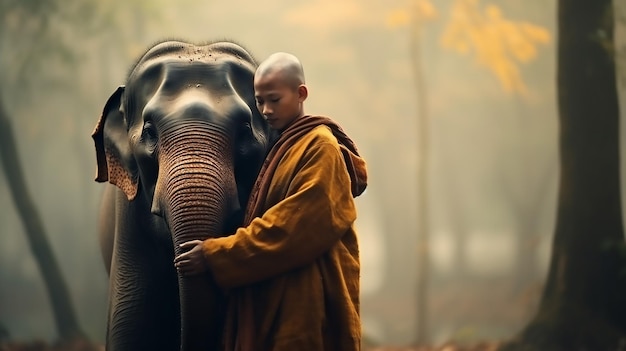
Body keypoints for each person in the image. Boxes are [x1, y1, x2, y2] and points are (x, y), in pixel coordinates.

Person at [174, 52, 368, 351]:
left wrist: (216, 254)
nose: (265, 110)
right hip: (280, 297)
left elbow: (294, 228)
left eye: (274, 100)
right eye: (259, 101)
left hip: (310, 302)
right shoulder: (281, 146)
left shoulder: (321, 147)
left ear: (301, 93)